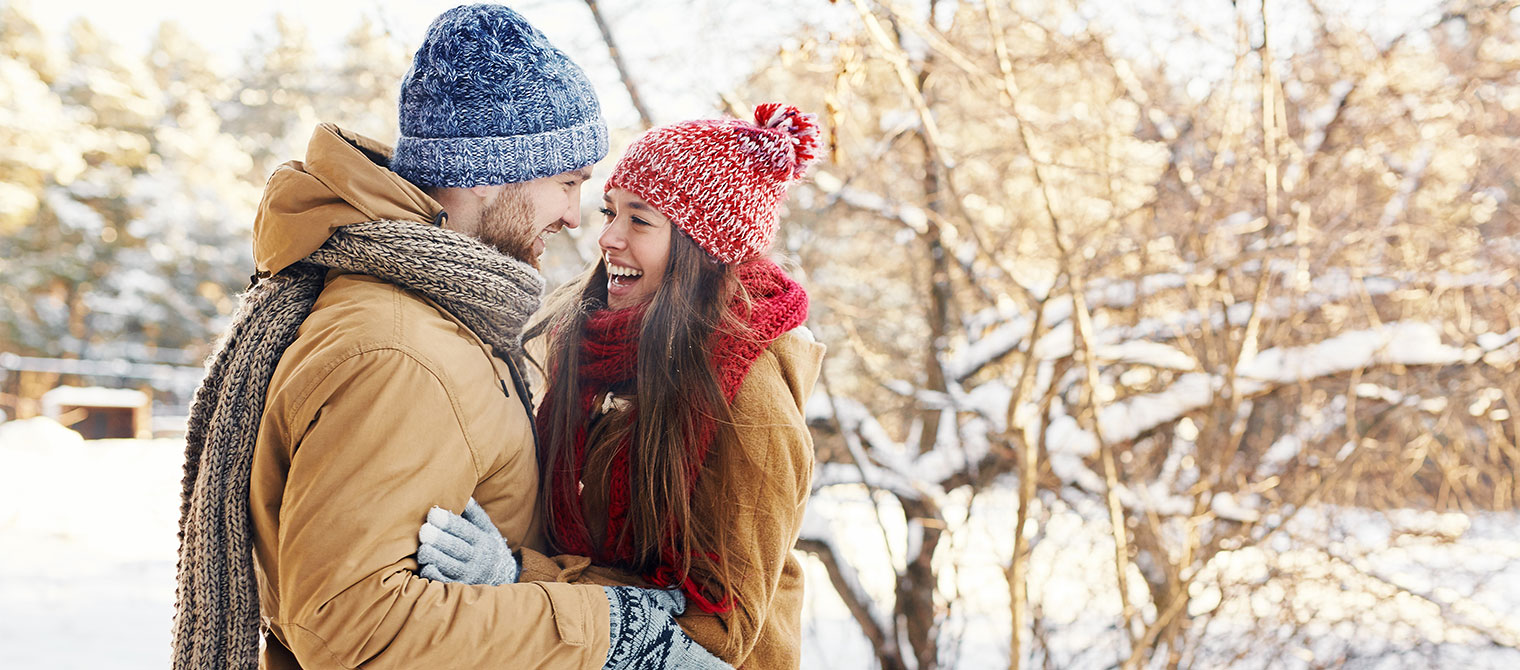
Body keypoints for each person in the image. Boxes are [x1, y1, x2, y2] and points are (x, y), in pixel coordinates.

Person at [171, 5, 718, 669]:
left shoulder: (442, 316)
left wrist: (516, 575)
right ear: (488, 172)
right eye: (567, 184)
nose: (575, 217)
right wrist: (605, 629)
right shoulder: (400, 349)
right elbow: (352, 625)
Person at [418, 102, 827, 670]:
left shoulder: (747, 403)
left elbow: (720, 631)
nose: (607, 236)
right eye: (612, 211)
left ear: (702, 251)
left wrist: (517, 577)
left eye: (640, 220)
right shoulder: (597, 352)